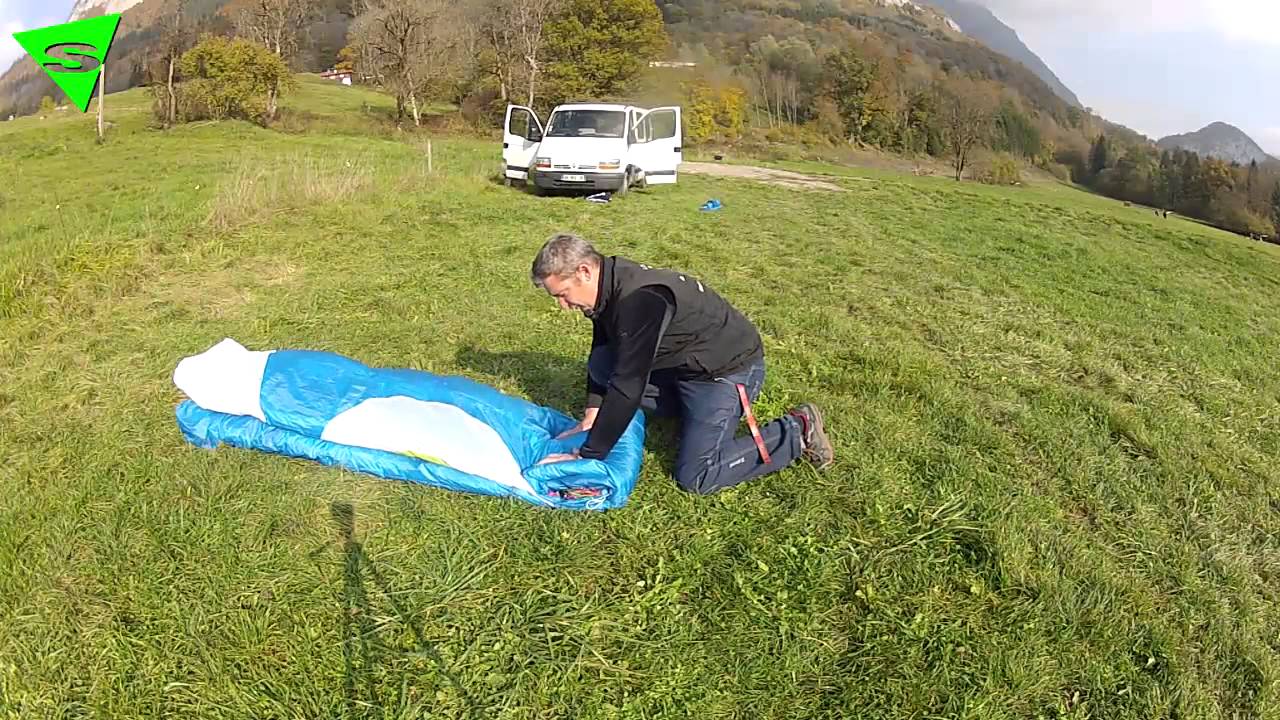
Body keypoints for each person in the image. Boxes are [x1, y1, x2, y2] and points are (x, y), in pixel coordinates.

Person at [529, 233, 834, 495]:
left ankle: (796, 430)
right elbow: (604, 346)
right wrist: (593, 412)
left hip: (725, 371)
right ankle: (685, 412)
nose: (563, 306)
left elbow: (628, 384)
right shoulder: (608, 282)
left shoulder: (640, 299)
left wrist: (588, 455)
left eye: (563, 295)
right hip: (682, 364)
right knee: (603, 363)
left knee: (697, 476)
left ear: (584, 271)